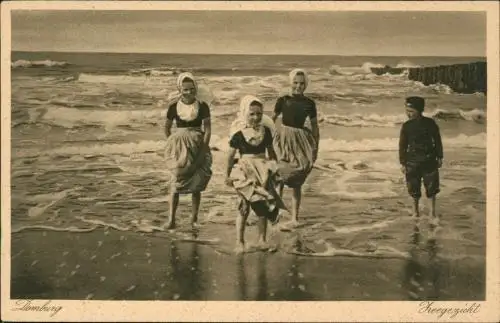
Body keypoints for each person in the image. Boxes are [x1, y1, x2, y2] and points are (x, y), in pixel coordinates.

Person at [225, 95, 287, 254]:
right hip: (245, 171)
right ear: (245, 113)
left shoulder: (265, 132)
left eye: (259, 114)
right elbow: (231, 156)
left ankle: (262, 239)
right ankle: (240, 241)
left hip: (262, 170)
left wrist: (276, 170)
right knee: (243, 206)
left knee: (263, 206)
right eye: (252, 114)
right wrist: (227, 175)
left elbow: (271, 153)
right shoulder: (239, 134)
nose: (256, 117)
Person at [164, 72, 212, 229]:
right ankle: (171, 219)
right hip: (180, 148)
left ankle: (194, 219)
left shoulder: (202, 106)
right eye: (185, 89)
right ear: (180, 89)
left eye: (192, 89)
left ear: (196, 89)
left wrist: (204, 149)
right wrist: (173, 144)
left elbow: (208, 129)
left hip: (197, 144)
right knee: (176, 183)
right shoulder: (173, 107)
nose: (189, 92)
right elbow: (166, 128)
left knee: (196, 184)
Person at [271, 68, 319, 226]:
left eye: (302, 83)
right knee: (279, 178)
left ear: (306, 85)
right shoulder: (283, 100)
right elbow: (271, 120)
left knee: (297, 180)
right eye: (295, 83)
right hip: (283, 139)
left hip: (300, 141)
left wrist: (315, 148)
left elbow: (315, 127)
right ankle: (275, 214)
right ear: (290, 83)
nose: (298, 86)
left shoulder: (309, 104)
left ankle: (294, 218)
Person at [399, 96, 443, 224]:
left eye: (411, 111)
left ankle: (432, 213)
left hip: (429, 160)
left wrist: (440, 156)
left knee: (432, 188)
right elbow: (402, 146)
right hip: (411, 161)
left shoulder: (430, 123)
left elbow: (437, 141)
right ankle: (415, 211)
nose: (408, 113)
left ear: (420, 110)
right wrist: (403, 163)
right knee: (413, 188)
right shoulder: (406, 126)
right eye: (407, 110)